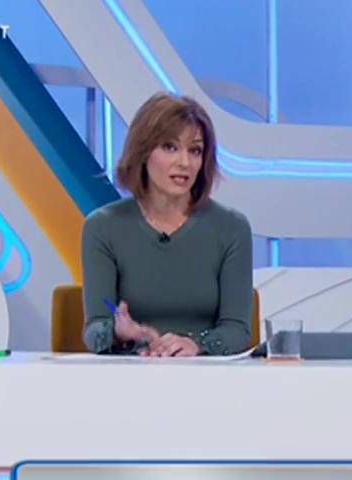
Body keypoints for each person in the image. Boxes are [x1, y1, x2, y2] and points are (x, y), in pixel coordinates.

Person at [81, 93, 253, 356]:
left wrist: (196, 344)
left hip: (206, 374)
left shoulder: (231, 228)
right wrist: (118, 332)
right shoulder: (103, 227)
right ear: (143, 152)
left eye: (195, 150)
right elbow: (94, 330)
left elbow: (238, 330)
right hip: (131, 372)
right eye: (170, 147)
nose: (184, 163)